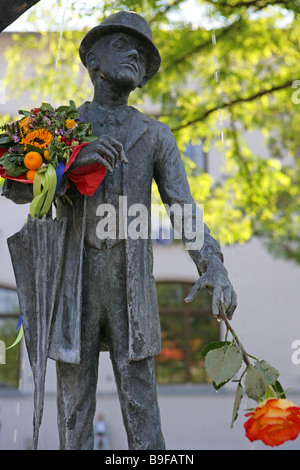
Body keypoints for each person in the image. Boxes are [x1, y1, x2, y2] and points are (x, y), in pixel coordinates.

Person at [3, 11, 237, 450]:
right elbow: (14, 189)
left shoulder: (155, 134)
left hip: (133, 289)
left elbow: (182, 209)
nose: (133, 53)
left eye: (142, 52)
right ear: (92, 60)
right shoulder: (61, 129)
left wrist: (214, 264)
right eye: (121, 44)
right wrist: (70, 160)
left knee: (143, 413)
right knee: (73, 416)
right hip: (75, 288)